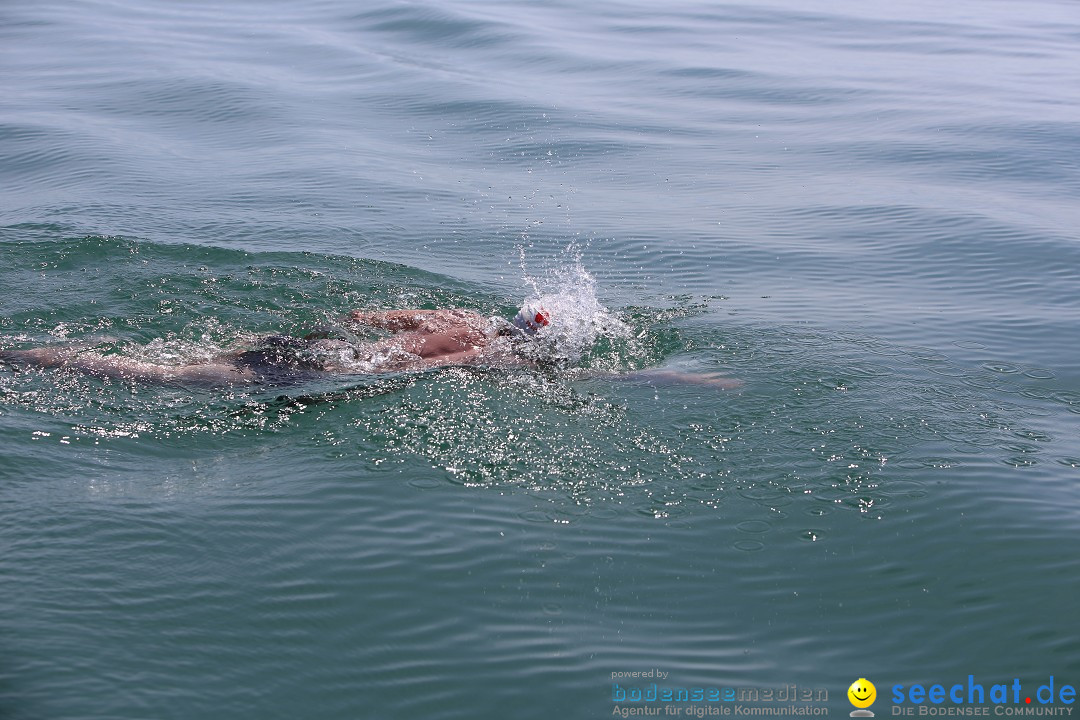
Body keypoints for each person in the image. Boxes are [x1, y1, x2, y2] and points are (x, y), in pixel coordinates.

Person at [0, 302, 739, 389]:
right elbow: (614, 382)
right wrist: (689, 382)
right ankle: (22, 358)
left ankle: (40, 350)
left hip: (311, 342)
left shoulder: (467, 316)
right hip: (320, 370)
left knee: (186, 356)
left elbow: (369, 312)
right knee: (162, 380)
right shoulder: (499, 355)